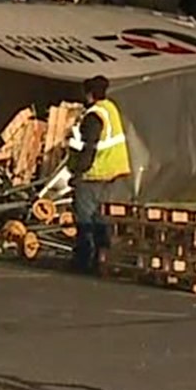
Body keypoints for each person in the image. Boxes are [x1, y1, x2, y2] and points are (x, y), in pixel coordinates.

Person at [67, 75, 131, 275]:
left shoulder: (94, 116)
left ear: (89, 94)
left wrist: (78, 173)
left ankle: (85, 261)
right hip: (113, 172)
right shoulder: (110, 109)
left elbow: (89, 148)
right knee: (100, 218)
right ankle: (104, 259)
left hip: (94, 174)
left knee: (85, 219)